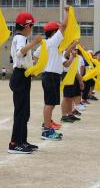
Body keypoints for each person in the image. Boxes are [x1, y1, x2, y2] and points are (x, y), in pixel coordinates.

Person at [33, 8, 69, 141]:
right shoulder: (53, 42)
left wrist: (41, 66)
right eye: (58, 30)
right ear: (54, 32)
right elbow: (64, 26)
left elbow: (35, 56)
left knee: (51, 103)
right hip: (50, 75)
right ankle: (47, 130)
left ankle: (47, 126)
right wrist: (68, 12)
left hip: (49, 75)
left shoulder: (45, 44)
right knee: (49, 103)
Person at [9, 12, 42, 154]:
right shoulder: (20, 38)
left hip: (24, 75)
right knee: (21, 111)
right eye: (31, 25)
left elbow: (24, 58)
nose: (32, 28)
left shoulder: (21, 38)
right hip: (20, 76)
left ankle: (22, 140)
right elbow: (19, 53)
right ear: (27, 26)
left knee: (24, 112)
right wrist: (34, 43)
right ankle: (15, 143)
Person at [60, 44, 85, 123]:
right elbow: (66, 64)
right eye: (72, 46)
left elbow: (75, 69)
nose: (74, 48)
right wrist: (72, 57)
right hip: (67, 75)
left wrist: (80, 81)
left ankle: (70, 114)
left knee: (70, 97)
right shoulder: (64, 53)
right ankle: (64, 116)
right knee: (66, 97)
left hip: (73, 75)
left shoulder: (72, 54)